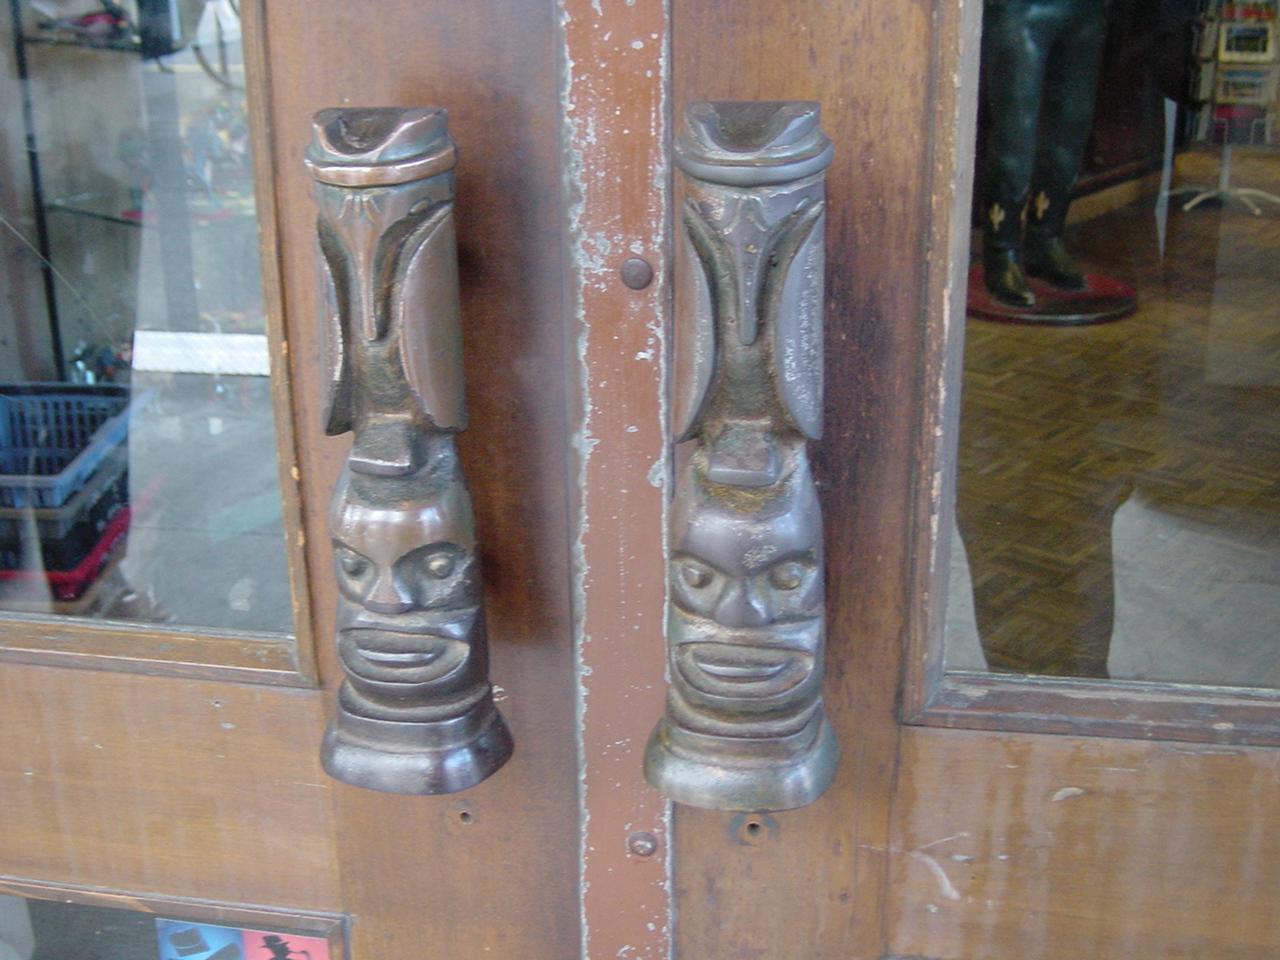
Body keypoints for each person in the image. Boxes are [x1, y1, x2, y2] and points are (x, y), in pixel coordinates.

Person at [980, 0, 1109, 306]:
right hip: (1021, 7)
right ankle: (1001, 253)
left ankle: (1045, 239)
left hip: (1086, 9)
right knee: (1015, 131)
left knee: (1072, 123)